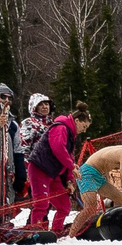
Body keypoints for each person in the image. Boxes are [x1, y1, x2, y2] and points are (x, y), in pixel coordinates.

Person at [67, 132, 122, 237]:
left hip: (99, 174)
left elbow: (106, 161)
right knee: (90, 207)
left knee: (119, 198)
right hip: (87, 173)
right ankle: (70, 235)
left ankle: (114, 227)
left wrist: (108, 181)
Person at [23, 100, 82, 234]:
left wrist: (69, 180)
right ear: (77, 121)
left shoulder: (70, 134)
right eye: (84, 126)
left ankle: (56, 230)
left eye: (47, 104)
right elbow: (58, 149)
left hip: (53, 172)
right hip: (39, 167)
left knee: (64, 205)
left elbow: (69, 157)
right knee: (41, 204)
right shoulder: (60, 127)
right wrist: (25, 165)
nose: (84, 129)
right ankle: (35, 232)